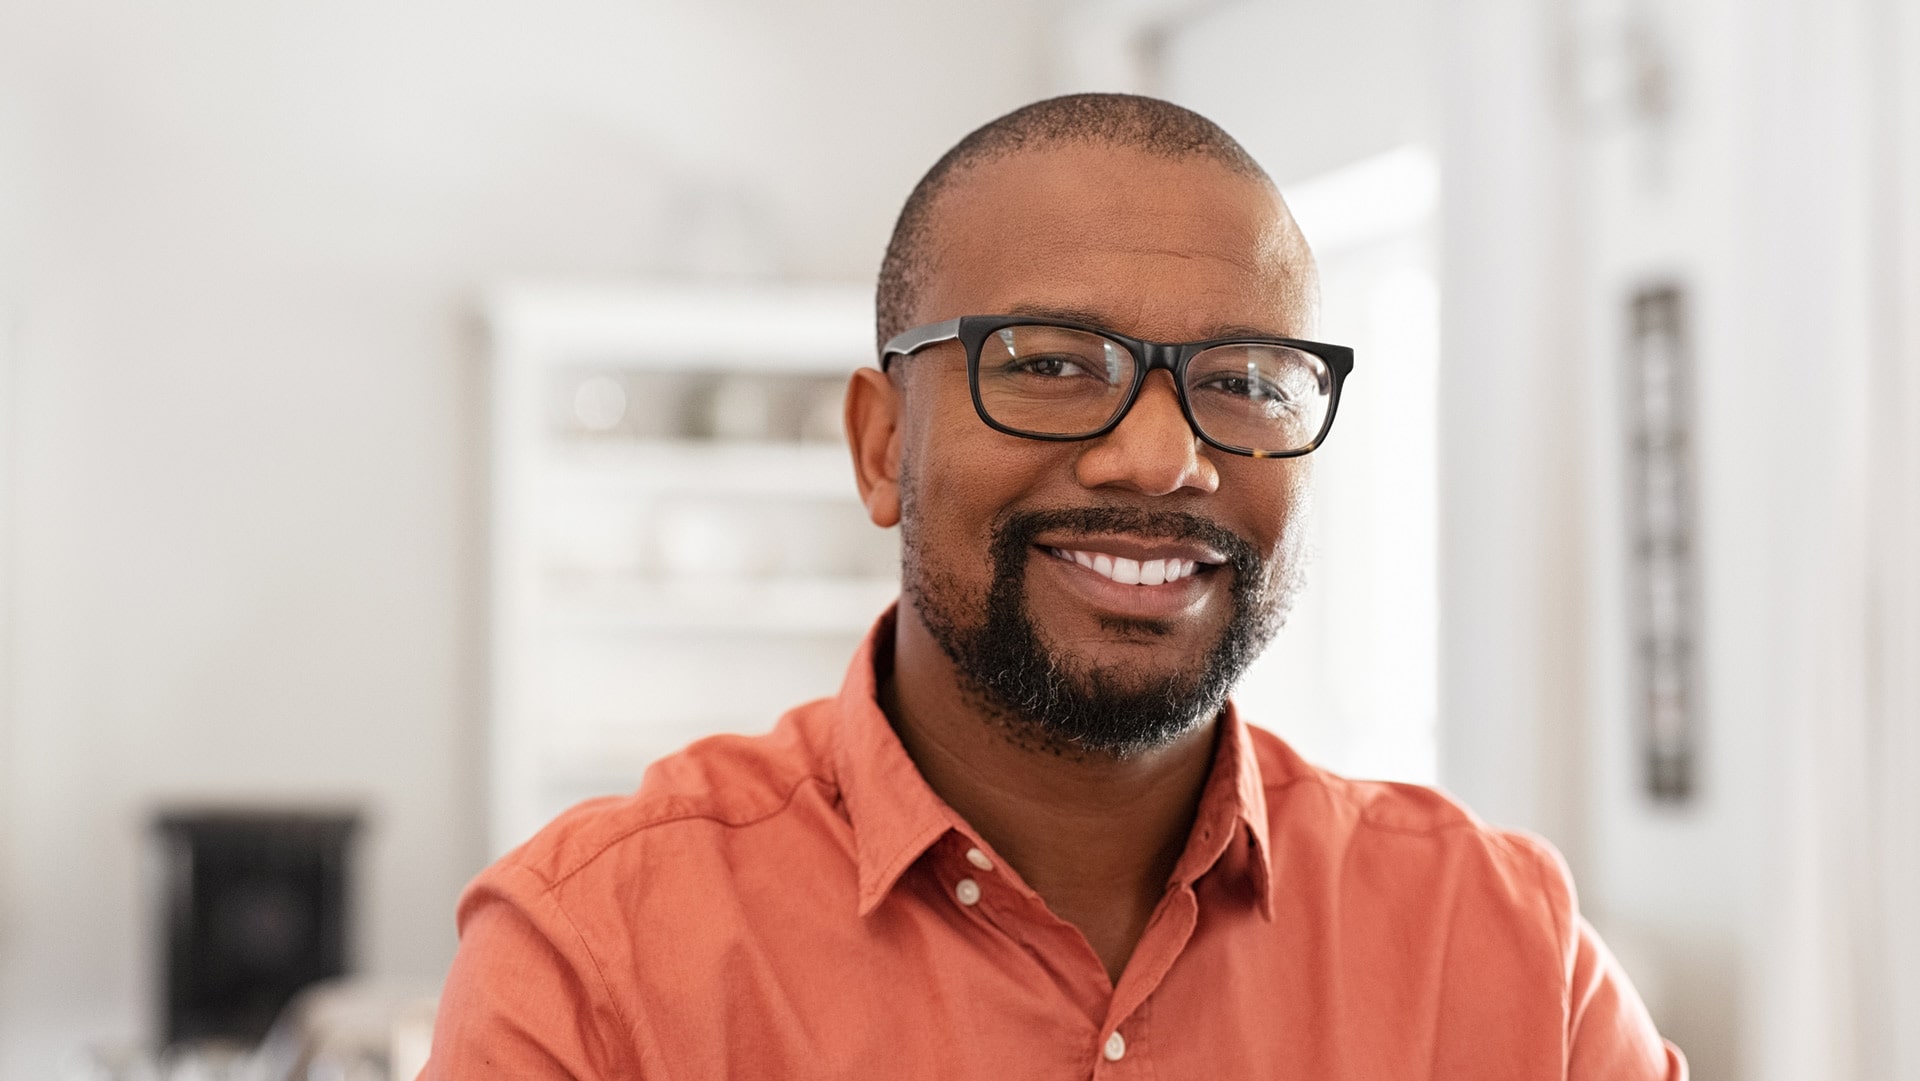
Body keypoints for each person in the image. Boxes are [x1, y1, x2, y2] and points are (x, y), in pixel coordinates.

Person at [425, 93, 1686, 1079]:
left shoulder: (1506, 953)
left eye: (1244, 380)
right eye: (1050, 364)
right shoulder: (599, 959)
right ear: (879, 447)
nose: (1160, 454)